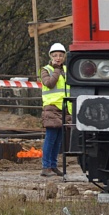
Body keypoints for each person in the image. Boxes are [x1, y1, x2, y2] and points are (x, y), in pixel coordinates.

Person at [40, 42, 71, 177]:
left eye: (60, 55)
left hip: (64, 108)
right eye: (55, 55)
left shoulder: (67, 70)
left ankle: (53, 165)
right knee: (50, 138)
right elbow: (49, 83)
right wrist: (57, 70)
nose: (58, 58)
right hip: (51, 108)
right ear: (51, 56)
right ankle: (46, 166)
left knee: (58, 140)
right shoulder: (46, 70)